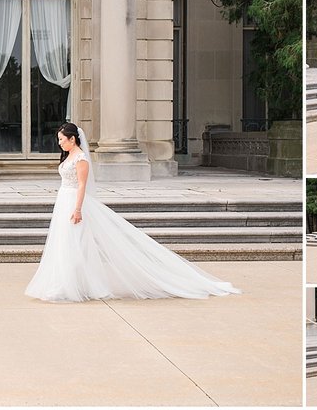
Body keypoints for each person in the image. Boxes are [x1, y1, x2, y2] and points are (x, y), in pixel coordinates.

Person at [24, 123, 240, 302]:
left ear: (73, 139)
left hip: (74, 203)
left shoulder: (80, 159)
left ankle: (70, 286)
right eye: (59, 139)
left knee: (74, 243)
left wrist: (78, 209)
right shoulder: (69, 156)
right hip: (63, 200)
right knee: (64, 242)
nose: (59, 143)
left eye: (62, 139)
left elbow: (81, 185)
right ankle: (66, 283)